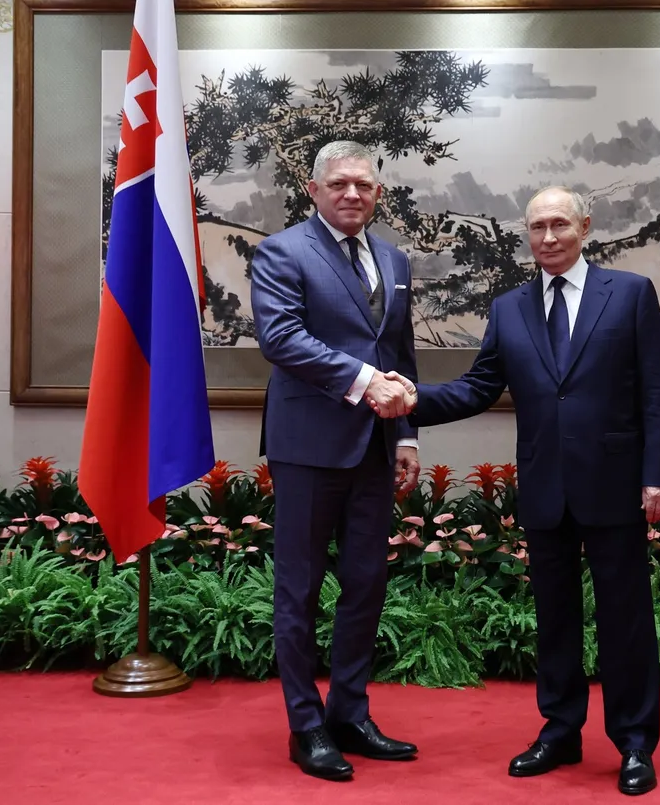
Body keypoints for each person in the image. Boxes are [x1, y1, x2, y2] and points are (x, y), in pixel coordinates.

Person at [374, 186, 660, 796]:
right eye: (537, 227)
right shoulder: (509, 307)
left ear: (585, 226)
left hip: (616, 483)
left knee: (625, 619)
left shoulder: (630, 294)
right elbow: (479, 386)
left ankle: (634, 742)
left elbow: (658, 391)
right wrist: (412, 400)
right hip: (544, 485)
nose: (548, 237)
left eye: (559, 224)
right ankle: (560, 731)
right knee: (554, 618)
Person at [251, 140, 422, 781]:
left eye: (365, 185)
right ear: (314, 190)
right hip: (307, 448)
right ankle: (306, 726)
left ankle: (349, 713)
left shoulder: (394, 259)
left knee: (366, 585)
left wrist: (406, 436)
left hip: (376, 448)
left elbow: (399, 352)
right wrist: (363, 380)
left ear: (378, 193)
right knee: (298, 590)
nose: (353, 194)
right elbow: (281, 338)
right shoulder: (282, 251)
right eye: (340, 184)